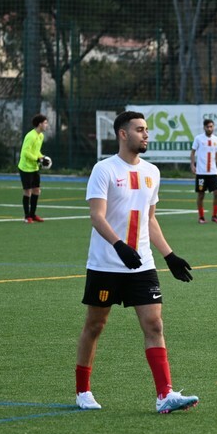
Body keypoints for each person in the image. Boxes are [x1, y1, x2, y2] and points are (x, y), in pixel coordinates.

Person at [75, 110, 199, 414]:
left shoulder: (152, 172)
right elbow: (96, 216)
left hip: (142, 265)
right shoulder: (104, 169)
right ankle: (83, 390)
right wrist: (119, 246)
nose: (146, 135)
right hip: (106, 264)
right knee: (95, 325)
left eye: (146, 129)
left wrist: (169, 255)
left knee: (154, 324)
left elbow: (149, 219)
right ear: (123, 134)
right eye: (140, 129)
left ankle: (164, 394)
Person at [17, 114, 51, 223]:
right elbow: (25, 152)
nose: (46, 125)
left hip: (34, 167)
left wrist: (42, 157)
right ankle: (27, 217)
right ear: (40, 124)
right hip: (25, 168)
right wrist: (38, 159)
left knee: (36, 190)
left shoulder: (40, 136)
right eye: (45, 123)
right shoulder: (31, 136)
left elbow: (36, 151)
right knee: (27, 191)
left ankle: (33, 214)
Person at [190, 119, 217, 223]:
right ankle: (201, 217)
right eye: (208, 127)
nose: (209, 128)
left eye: (211, 126)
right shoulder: (198, 138)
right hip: (201, 172)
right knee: (201, 194)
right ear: (204, 127)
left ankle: (215, 216)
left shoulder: (216, 139)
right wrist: (192, 165)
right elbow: (193, 152)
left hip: (213, 172)